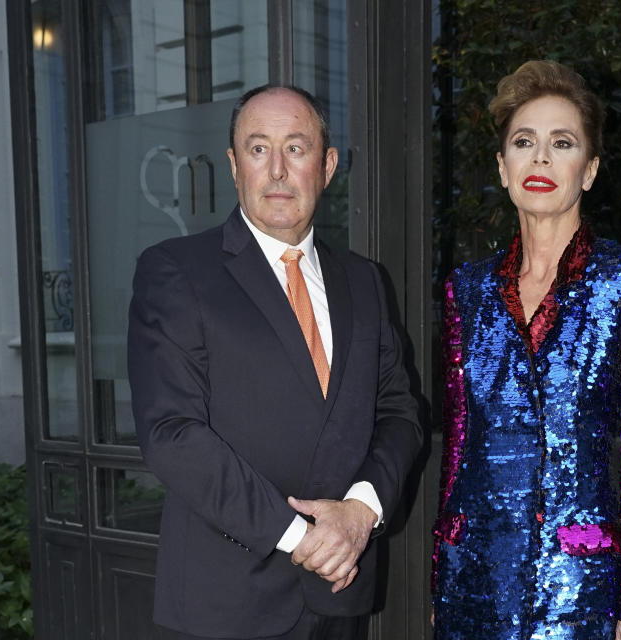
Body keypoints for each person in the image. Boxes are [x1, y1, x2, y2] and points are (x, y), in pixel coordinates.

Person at [128, 85, 422, 640]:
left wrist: (360, 514)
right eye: (259, 149)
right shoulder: (176, 271)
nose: (279, 171)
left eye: (297, 147)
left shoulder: (365, 281)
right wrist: (300, 537)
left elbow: (400, 413)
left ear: (328, 165)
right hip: (226, 603)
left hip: (341, 591)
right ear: (235, 166)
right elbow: (172, 433)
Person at [432, 60, 621, 640]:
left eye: (561, 143)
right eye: (524, 142)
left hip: (579, 587)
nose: (540, 158)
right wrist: (442, 570)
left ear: (587, 171)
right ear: (503, 166)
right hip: (474, 582)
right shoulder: (464, 290)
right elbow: (459, 445)